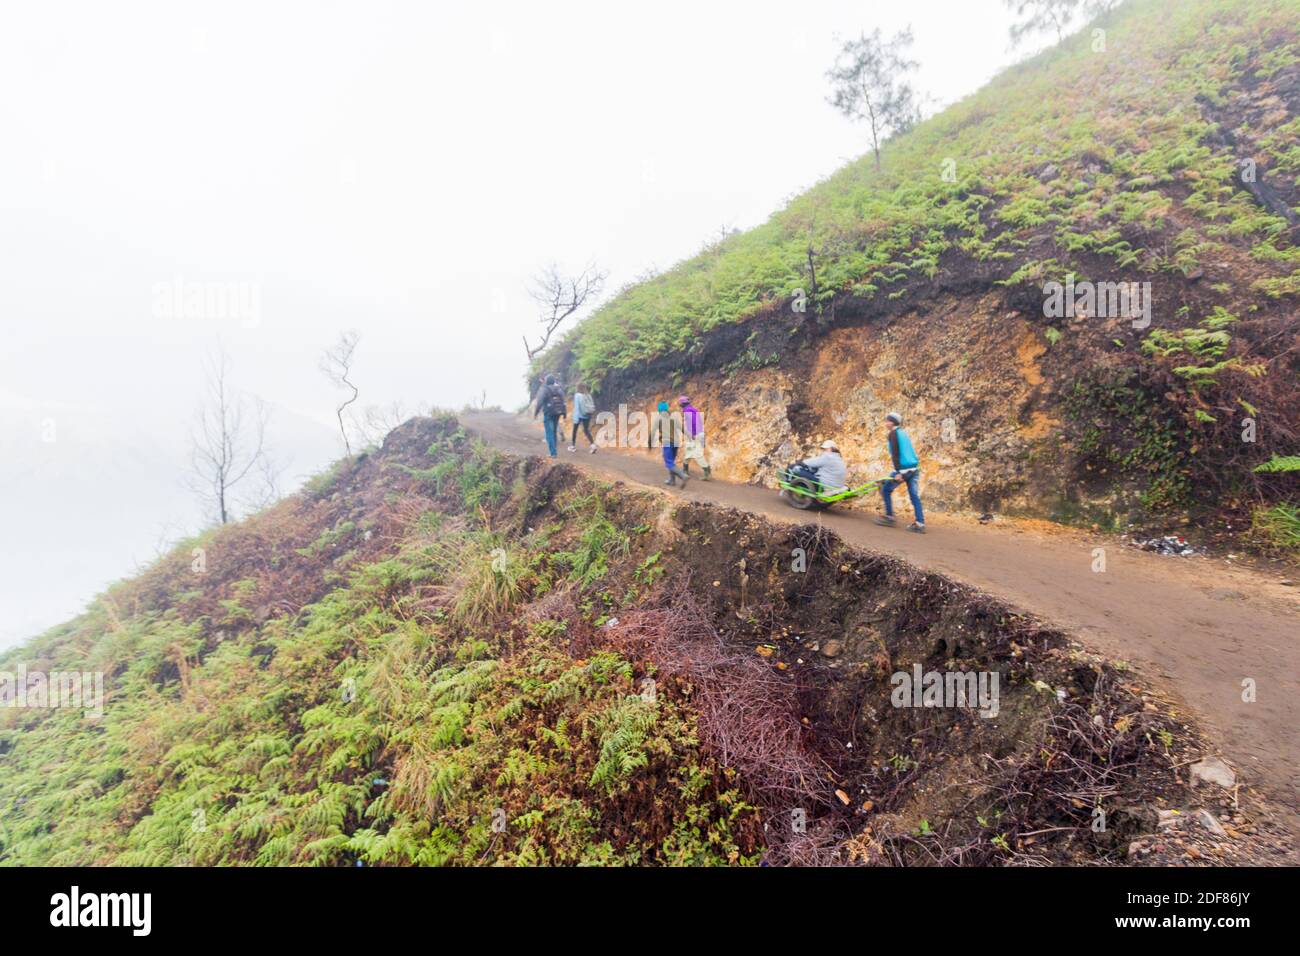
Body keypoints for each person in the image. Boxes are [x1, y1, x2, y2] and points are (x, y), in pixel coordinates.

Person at [875, 411, 925, 533]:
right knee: (914, 496)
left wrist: (899, 473)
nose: (886, 423)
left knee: (886, 489)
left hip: (904, 470)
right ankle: (920, 523)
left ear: (892, 422)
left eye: (888, 421)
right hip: (914, 469)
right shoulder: (903, 433)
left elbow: (896, 454)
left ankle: (889, 517)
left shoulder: (893, 434)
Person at [649, 399, 690, 487]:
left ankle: (683, 476)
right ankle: (672, 480)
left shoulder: (658, 418)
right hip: (676, 443)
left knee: (669, 463)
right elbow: (682, 428)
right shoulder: (673, 417)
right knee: (672, 461)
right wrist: (690, 436)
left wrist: (649, 443)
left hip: (668, 443)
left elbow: (652, 432)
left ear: (659, 410)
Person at [532, 374, 567, 458]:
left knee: (549, 432)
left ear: (546, 381)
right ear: (554, 381)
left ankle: (553, 453)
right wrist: (564, 413)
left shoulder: (544, 389)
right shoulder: (559, 389)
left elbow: (540, 402)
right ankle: (554, 451)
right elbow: (563, 401)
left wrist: (536, 413)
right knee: (554, 431)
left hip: (548, 412)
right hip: (558, 412)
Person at [677, 395, 711, 479]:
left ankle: (706, 471)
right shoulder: (693, 410)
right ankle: (686, 471)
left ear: (682, 404)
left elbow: (693, 423)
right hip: (699, 434)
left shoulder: (687, 411)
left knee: (696, 454)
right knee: (690, 452)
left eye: (680, 403)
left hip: (694, 435)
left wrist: (692, 434)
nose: (679, 404)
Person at [569, 384, 597, 453]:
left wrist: (575, 418)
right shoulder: (588, 395)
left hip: (579, 416)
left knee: (574, 431)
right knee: (586, 430)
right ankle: (593, 445)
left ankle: (572, 446)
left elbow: (577, 408)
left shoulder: (577, 395)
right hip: (587, 415)